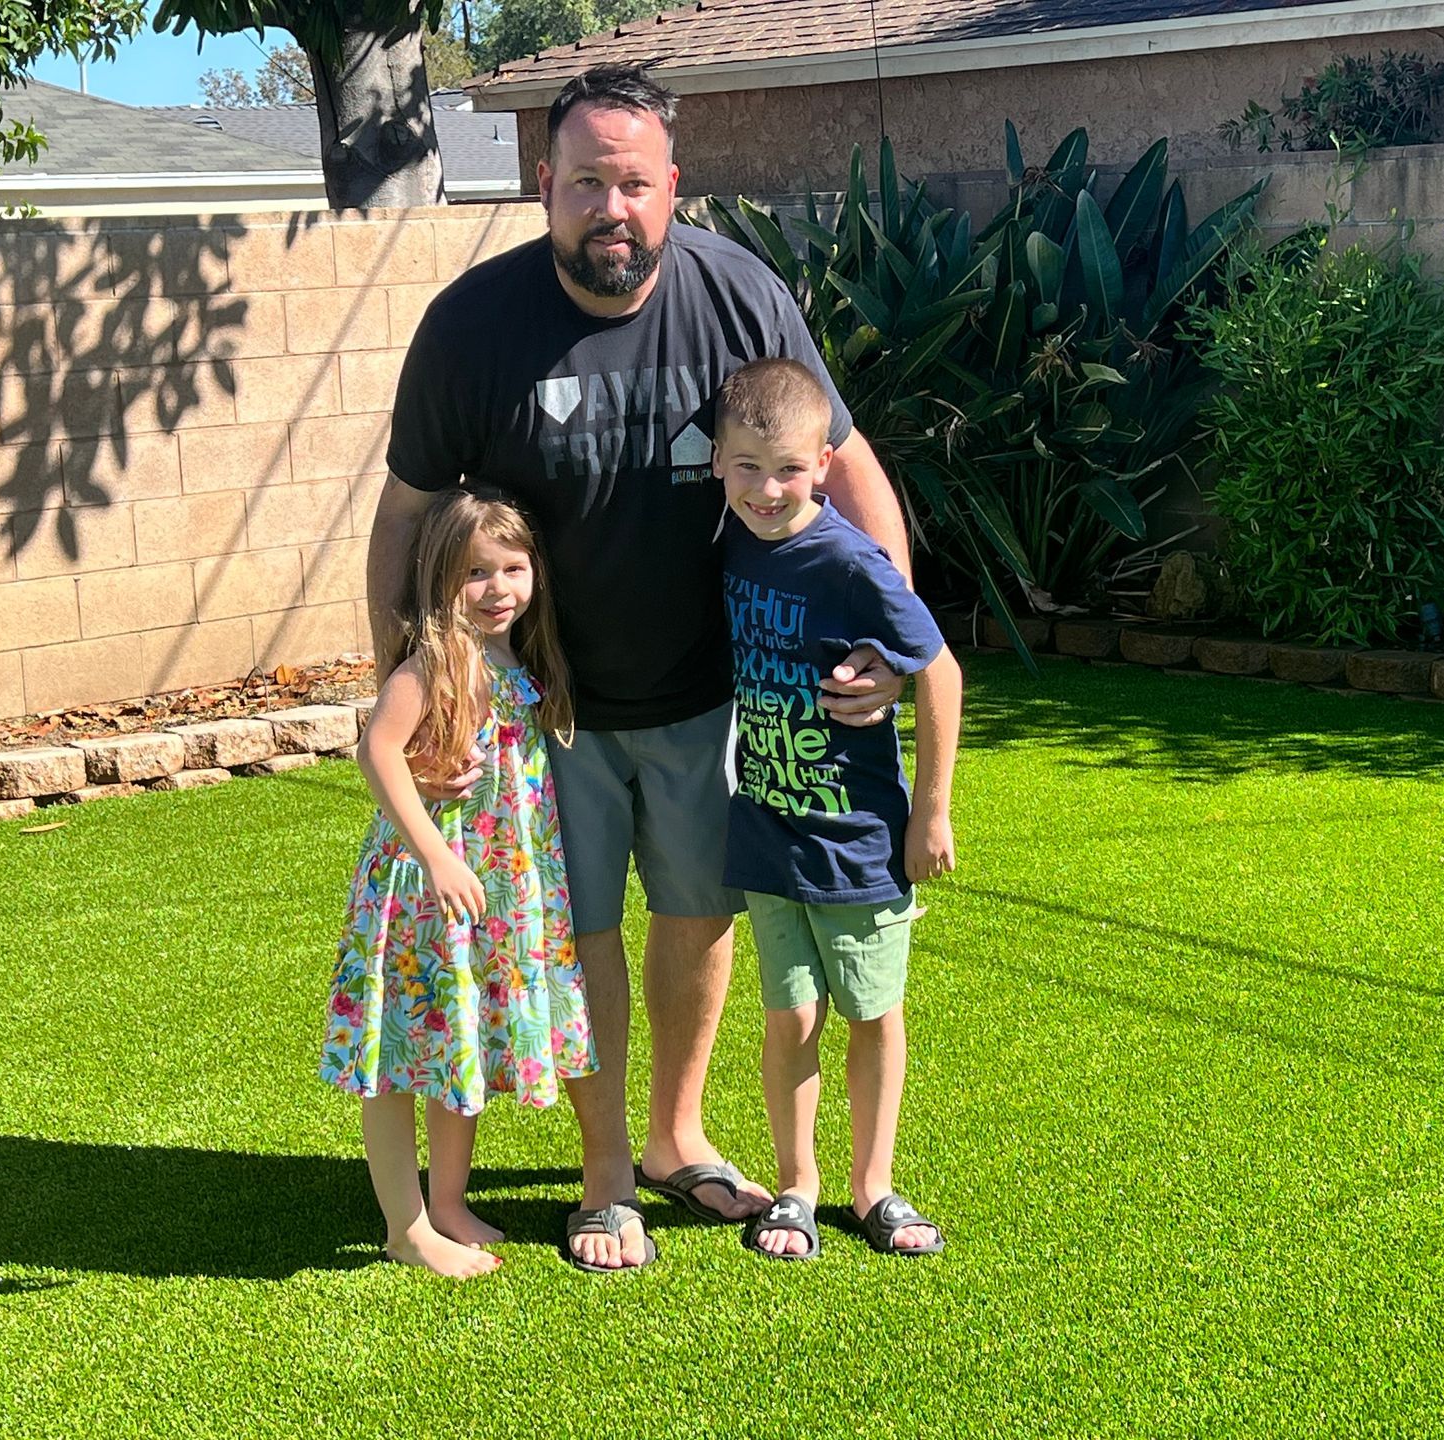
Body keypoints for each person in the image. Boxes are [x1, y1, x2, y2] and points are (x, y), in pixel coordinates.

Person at [366, 63, 911, 1272]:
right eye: (584, 183)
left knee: (699, 913)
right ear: (543, 186)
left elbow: (850, 466)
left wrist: (888, 636)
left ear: (674, 189)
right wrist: (414, 698)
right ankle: (603, 1170)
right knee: (575, 933)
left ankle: (674, 1138)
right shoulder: (472, 325)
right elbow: (406, 518)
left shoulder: (741, 294)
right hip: (539, 714)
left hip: (713, 693)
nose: (609, 207)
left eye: (634, 183)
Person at [323, 488, 638, 1279]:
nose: (498, 588)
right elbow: (378, 751)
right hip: (426, 891)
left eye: (512, 567)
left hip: (489, 886)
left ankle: (449, 1201)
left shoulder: (515, 659)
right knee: (400, 1055)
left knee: (454, 1042)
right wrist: (434, 852)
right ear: (438, 579)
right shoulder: (437, 662)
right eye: (474, 573)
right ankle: (406, 1225)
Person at [711, 359, 962, 1261]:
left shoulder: (851, 560)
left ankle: (874, 1186)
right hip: (767, 836)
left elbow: (939, 672)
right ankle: (797, 1185)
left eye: (786, 469)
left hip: (858, 844)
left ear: (822, 462)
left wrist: (929, 813)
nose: (766, 490)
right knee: (791, 1018)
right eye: (746, 468)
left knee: (873, 1012)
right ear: (717, 464)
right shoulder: (728, 540)